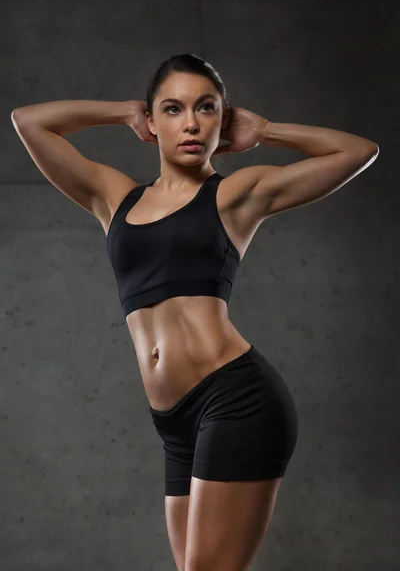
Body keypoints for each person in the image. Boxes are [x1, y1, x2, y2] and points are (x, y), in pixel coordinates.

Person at [11, 53, 379, 571]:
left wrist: (268, 130)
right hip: (175, 426)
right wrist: (121, 112)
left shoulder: (233, 195)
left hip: (235, 402)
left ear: (223, 120)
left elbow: (358, 151)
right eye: (173, 109)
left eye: (206, 108)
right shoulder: (115, 198)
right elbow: (29, 122)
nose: (190, 123)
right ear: (152, 120)